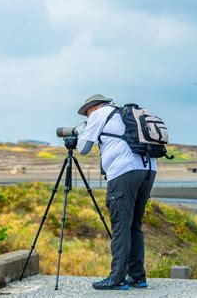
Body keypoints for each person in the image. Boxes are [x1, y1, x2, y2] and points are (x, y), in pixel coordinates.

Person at [75, 94, 157, 290]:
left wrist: (81, 131)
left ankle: (116, 278)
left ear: (93, 107)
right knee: (134, 225)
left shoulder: (99, 114)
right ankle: (138, 277)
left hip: (123, 172)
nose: (88, 116)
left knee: (121, 225)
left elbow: (83, 149)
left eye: (87, 113)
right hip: (148, 170)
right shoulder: (123, 114)